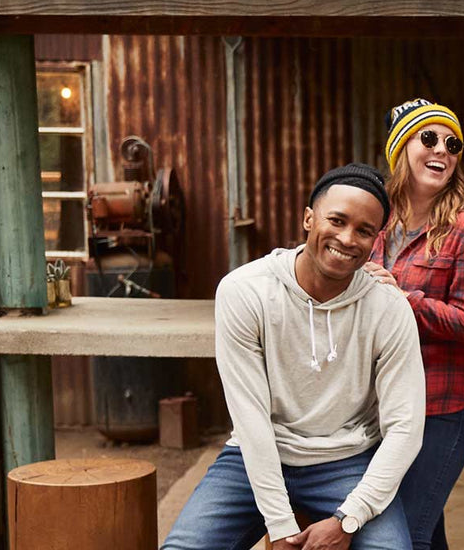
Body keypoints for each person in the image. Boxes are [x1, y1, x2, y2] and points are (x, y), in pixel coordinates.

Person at [164, 163, 424, 550]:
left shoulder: (388, 308)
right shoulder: (246, 291)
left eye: (364, 230)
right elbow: (250, 416)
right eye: (336, 220)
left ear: (375, 239)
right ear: (308, 218)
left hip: (347, 460)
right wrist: (282, 526)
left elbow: (406, 429)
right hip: (256, 456)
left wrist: (348, 519)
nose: (347, 238)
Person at [364, 98, 464, 550]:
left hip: (441, 404)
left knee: (404, 535)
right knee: (422, 531)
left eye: (453, 143)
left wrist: (403, 299)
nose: (443, 149)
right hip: (381, 402)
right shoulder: (374, 220)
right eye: (429, 137)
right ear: (400, 149)